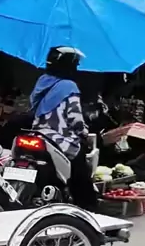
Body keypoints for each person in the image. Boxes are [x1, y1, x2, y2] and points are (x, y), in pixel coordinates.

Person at [30, 46, 98, 212]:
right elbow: (74, 118)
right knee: (80, 168)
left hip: (37, 133)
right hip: (59, 138)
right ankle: (87, 206)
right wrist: (83, 132)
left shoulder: (42, 81)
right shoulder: (69, 86)